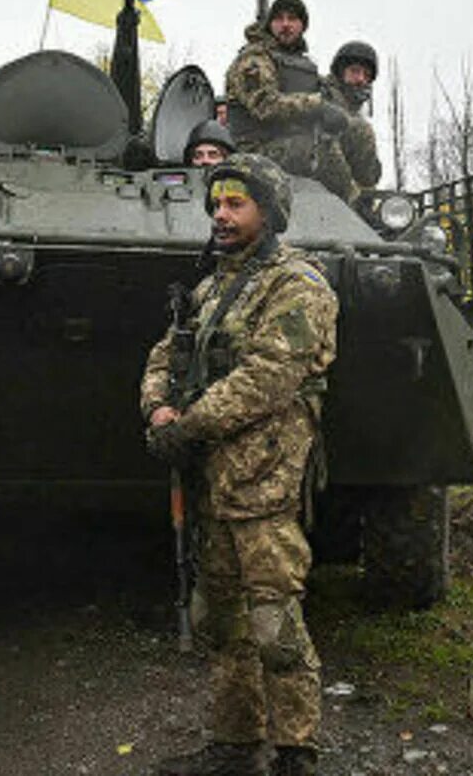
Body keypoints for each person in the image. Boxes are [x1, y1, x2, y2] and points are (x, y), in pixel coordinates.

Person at [140, 154, 338, 776]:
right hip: (211, 483)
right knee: (220, 620)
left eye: (236, 204)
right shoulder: (211, 287)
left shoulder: (297, 284)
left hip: (262, 483)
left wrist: (189, 426)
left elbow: (268, 378)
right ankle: (234, 744)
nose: (221, 215)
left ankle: (295, 752)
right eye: (217, 204)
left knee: (275, 622)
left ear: (268, 211)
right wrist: (158, 412)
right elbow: (162, 356)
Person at [223, 0, 354, 200]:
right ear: (269, 24)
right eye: (279, 19)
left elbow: (330, 99)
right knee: (318, 149)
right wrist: (317, 106)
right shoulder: (253, 60)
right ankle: (349, 209)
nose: (285, 24)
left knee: (356, 131)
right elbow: (265, 105)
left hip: (288, 144)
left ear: (303, 25)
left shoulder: (301, 65)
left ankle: (362, 207)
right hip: (254, 152)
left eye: (292, 19)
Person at [319, 41, 383, 199]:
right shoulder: (321, 97)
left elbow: (370, 174)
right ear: (340, 73)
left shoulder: (355, 111)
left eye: (367, 75)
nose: (361, 79)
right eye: (355, 71)